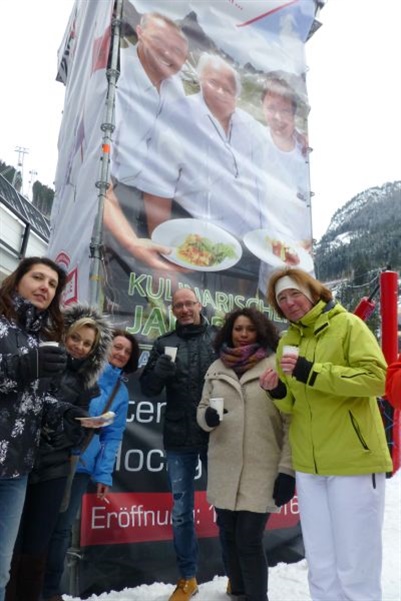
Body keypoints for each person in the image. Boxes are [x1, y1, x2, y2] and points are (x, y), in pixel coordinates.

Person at [259, 267, 392, 601]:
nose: (289, 302)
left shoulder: (348, 325)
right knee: (320, 561)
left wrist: (312, 371)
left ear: (312, 292)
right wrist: (277, 391)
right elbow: (293, 404)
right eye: (281, 298)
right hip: (309, 464)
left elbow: (377, 380)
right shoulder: (287, 342)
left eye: (294, 293)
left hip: (353, 460)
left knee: (355, 562)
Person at [5, 304, 113, 601]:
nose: (79, 346)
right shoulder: (40, 362)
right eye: (76, 337)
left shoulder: (87, 384)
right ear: (64, 334)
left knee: (38, 544)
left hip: (55, 468)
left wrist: (81, 426)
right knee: (11, 543)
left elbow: (75, 437)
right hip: (19, 463)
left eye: (87, 344)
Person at [197, 308, 294, 601]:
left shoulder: (274, 366)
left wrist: (287, 470)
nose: (243, 334)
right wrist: (206, 419)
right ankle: (238, 592)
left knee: (249, 539)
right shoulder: (216, 367)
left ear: (260, 332)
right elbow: (202, 408)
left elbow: (290, 420)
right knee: (228, 534)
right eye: (238, 328)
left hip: (261, 469)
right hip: (224, 467)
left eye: (250, 329)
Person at [41, 328, 139, 601]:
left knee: (62, 530)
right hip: (50, 457)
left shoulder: (121, 392)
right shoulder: (80, 371)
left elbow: (112, 435)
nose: (120, 353)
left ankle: (50, 590)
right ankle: (25, 585)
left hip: (81, 465)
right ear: (104, 347)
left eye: (127, 351)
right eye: (117, 346)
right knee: (38, 525)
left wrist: (104, 474)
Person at [140, 288, 217, 601]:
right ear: (173, 311)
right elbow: (148, 389)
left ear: (199, 305)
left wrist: (222, 411)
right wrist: (159, 372)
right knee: (182, 512)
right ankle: (188, 578)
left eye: (189, 304)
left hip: (216, 434)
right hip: (178, 437)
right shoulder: (164, 343)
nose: (184, 309)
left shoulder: (218, 339)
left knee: (227, 506)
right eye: (178, 305)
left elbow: (235, 379)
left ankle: (237, 575)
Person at [136, 52, 265, 240]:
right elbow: (156, 188)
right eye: (213, 83)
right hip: (194, 240)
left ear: (236, 96)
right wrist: (162, 246)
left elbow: (275, 147)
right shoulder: (178, 116)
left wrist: (297, 140)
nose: (220, 92)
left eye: (228, 89)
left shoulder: (248, 125)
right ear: (200, 80)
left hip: (245, 242)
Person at [0, 257, 68, 601]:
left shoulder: (41, 336)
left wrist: (62, 413)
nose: (45, 287)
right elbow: (17, 375)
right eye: (38, 278)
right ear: (17, 280)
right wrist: (23, 366)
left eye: (52, 284)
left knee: (1, 570)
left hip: (17, 467)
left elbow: (33, 399)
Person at [103, 11, 189, 271]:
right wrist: (131, 242)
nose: (168, 53)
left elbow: (166, 159)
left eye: (178, 50)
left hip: (151, 200)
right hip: (107, 197)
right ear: (140, 32)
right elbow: (96, 173)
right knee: (107, 270)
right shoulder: (115, 75)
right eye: (160, 41)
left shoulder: (175, 88)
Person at [257, 74, 312, 296]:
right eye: (271, 108)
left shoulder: (307, 153)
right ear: (262, 107)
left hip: (306, 261)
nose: (277, 117)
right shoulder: (254, 140)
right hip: (268, 261)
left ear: (294, 113)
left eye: (285, 110)